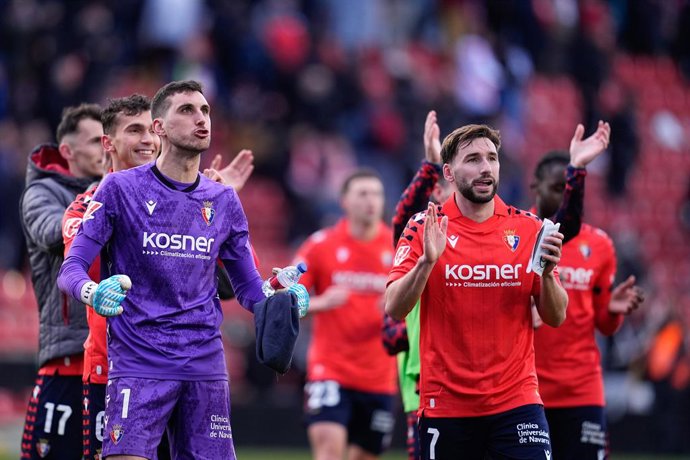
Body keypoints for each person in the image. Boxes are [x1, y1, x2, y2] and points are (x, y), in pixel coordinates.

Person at [57, 80, 305, 460]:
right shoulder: (119, 190)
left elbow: (249, 291)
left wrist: (280, 299)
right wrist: (93, 292)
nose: (200, 119)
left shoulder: (224, 200)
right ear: (160, 127)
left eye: (204, 110)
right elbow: (71, 268)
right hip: (138, 365)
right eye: (186, 111)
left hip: (204, 367)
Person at [386, 123, 568, 460]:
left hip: (517, 402)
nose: (485, 168)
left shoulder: (529, 228)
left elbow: (555, 317)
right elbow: (394, 308)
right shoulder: (423, 226)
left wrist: (547, 275)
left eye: (492, 158)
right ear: (449, 173)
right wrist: (427, 262)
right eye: (472, 159)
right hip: (446, 406)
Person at [531, 147, 644, 459]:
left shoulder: (600, 245)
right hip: (527, 390)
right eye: (556, 189)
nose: (563, 199)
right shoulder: (520, 236)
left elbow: (605, 326)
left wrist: (612, 311)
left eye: (569, 190)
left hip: (581, 388)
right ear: (535, 187)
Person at [19, 103, 104, 460]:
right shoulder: (42, 193)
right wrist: (102, 195)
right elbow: (54, 233)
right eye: (97, 140)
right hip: (68, 361)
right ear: (68, 151)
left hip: (119, 364)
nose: (106, 148)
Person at [295, 168, 397, 460]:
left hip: (379, 377)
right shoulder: (321, 245)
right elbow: (285, 300)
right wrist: (321, 303)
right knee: (329, 452)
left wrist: (400, 306)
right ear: (344, 201)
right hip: (331, 371)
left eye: (376, 194)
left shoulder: (397, 247)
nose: (371, 201)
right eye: (363, 193)